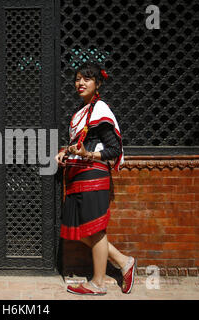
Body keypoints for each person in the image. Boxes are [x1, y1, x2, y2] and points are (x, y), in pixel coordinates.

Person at [55, 62, 136, 295]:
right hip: (76, 176)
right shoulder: (81, 112)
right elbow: (78, 145)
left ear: (97, 83)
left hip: (93, 176)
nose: (80, 83)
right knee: (77, 230)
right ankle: (123, 261)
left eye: (87, 79)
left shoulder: (101, 110)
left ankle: (99, 283)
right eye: (78, 79)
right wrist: (65, 152)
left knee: (96, 230)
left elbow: (114, 149)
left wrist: (88, 154)